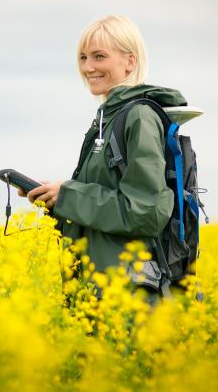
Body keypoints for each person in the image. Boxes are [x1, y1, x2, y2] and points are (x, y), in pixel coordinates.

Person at [21, 15, 187, 305]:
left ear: (130, 61)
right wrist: (55, 199)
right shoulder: (107, 119)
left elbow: (144, 211)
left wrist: (69, 194)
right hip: (97, 290)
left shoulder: (138, 117)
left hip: (128, 295)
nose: (87, 67)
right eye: (83, 57)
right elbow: (102, 210)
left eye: (99, 56)